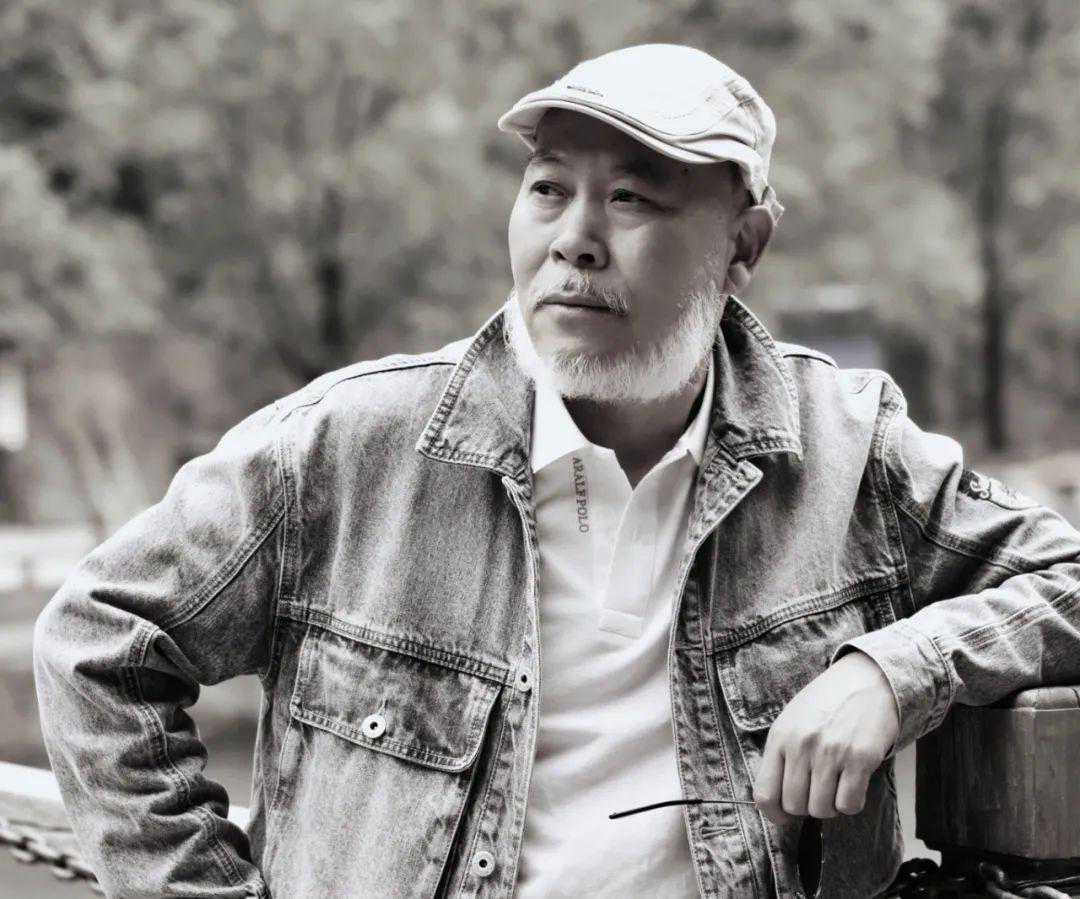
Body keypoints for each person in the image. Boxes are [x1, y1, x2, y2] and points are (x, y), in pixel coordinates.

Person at [33, 43, 1080, 899]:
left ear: (744, 243)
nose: (574, 239)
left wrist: (894, 669)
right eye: (547, 188)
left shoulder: (849, 451)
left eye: (631, 198)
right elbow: (97, 638)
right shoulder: (344, 448)